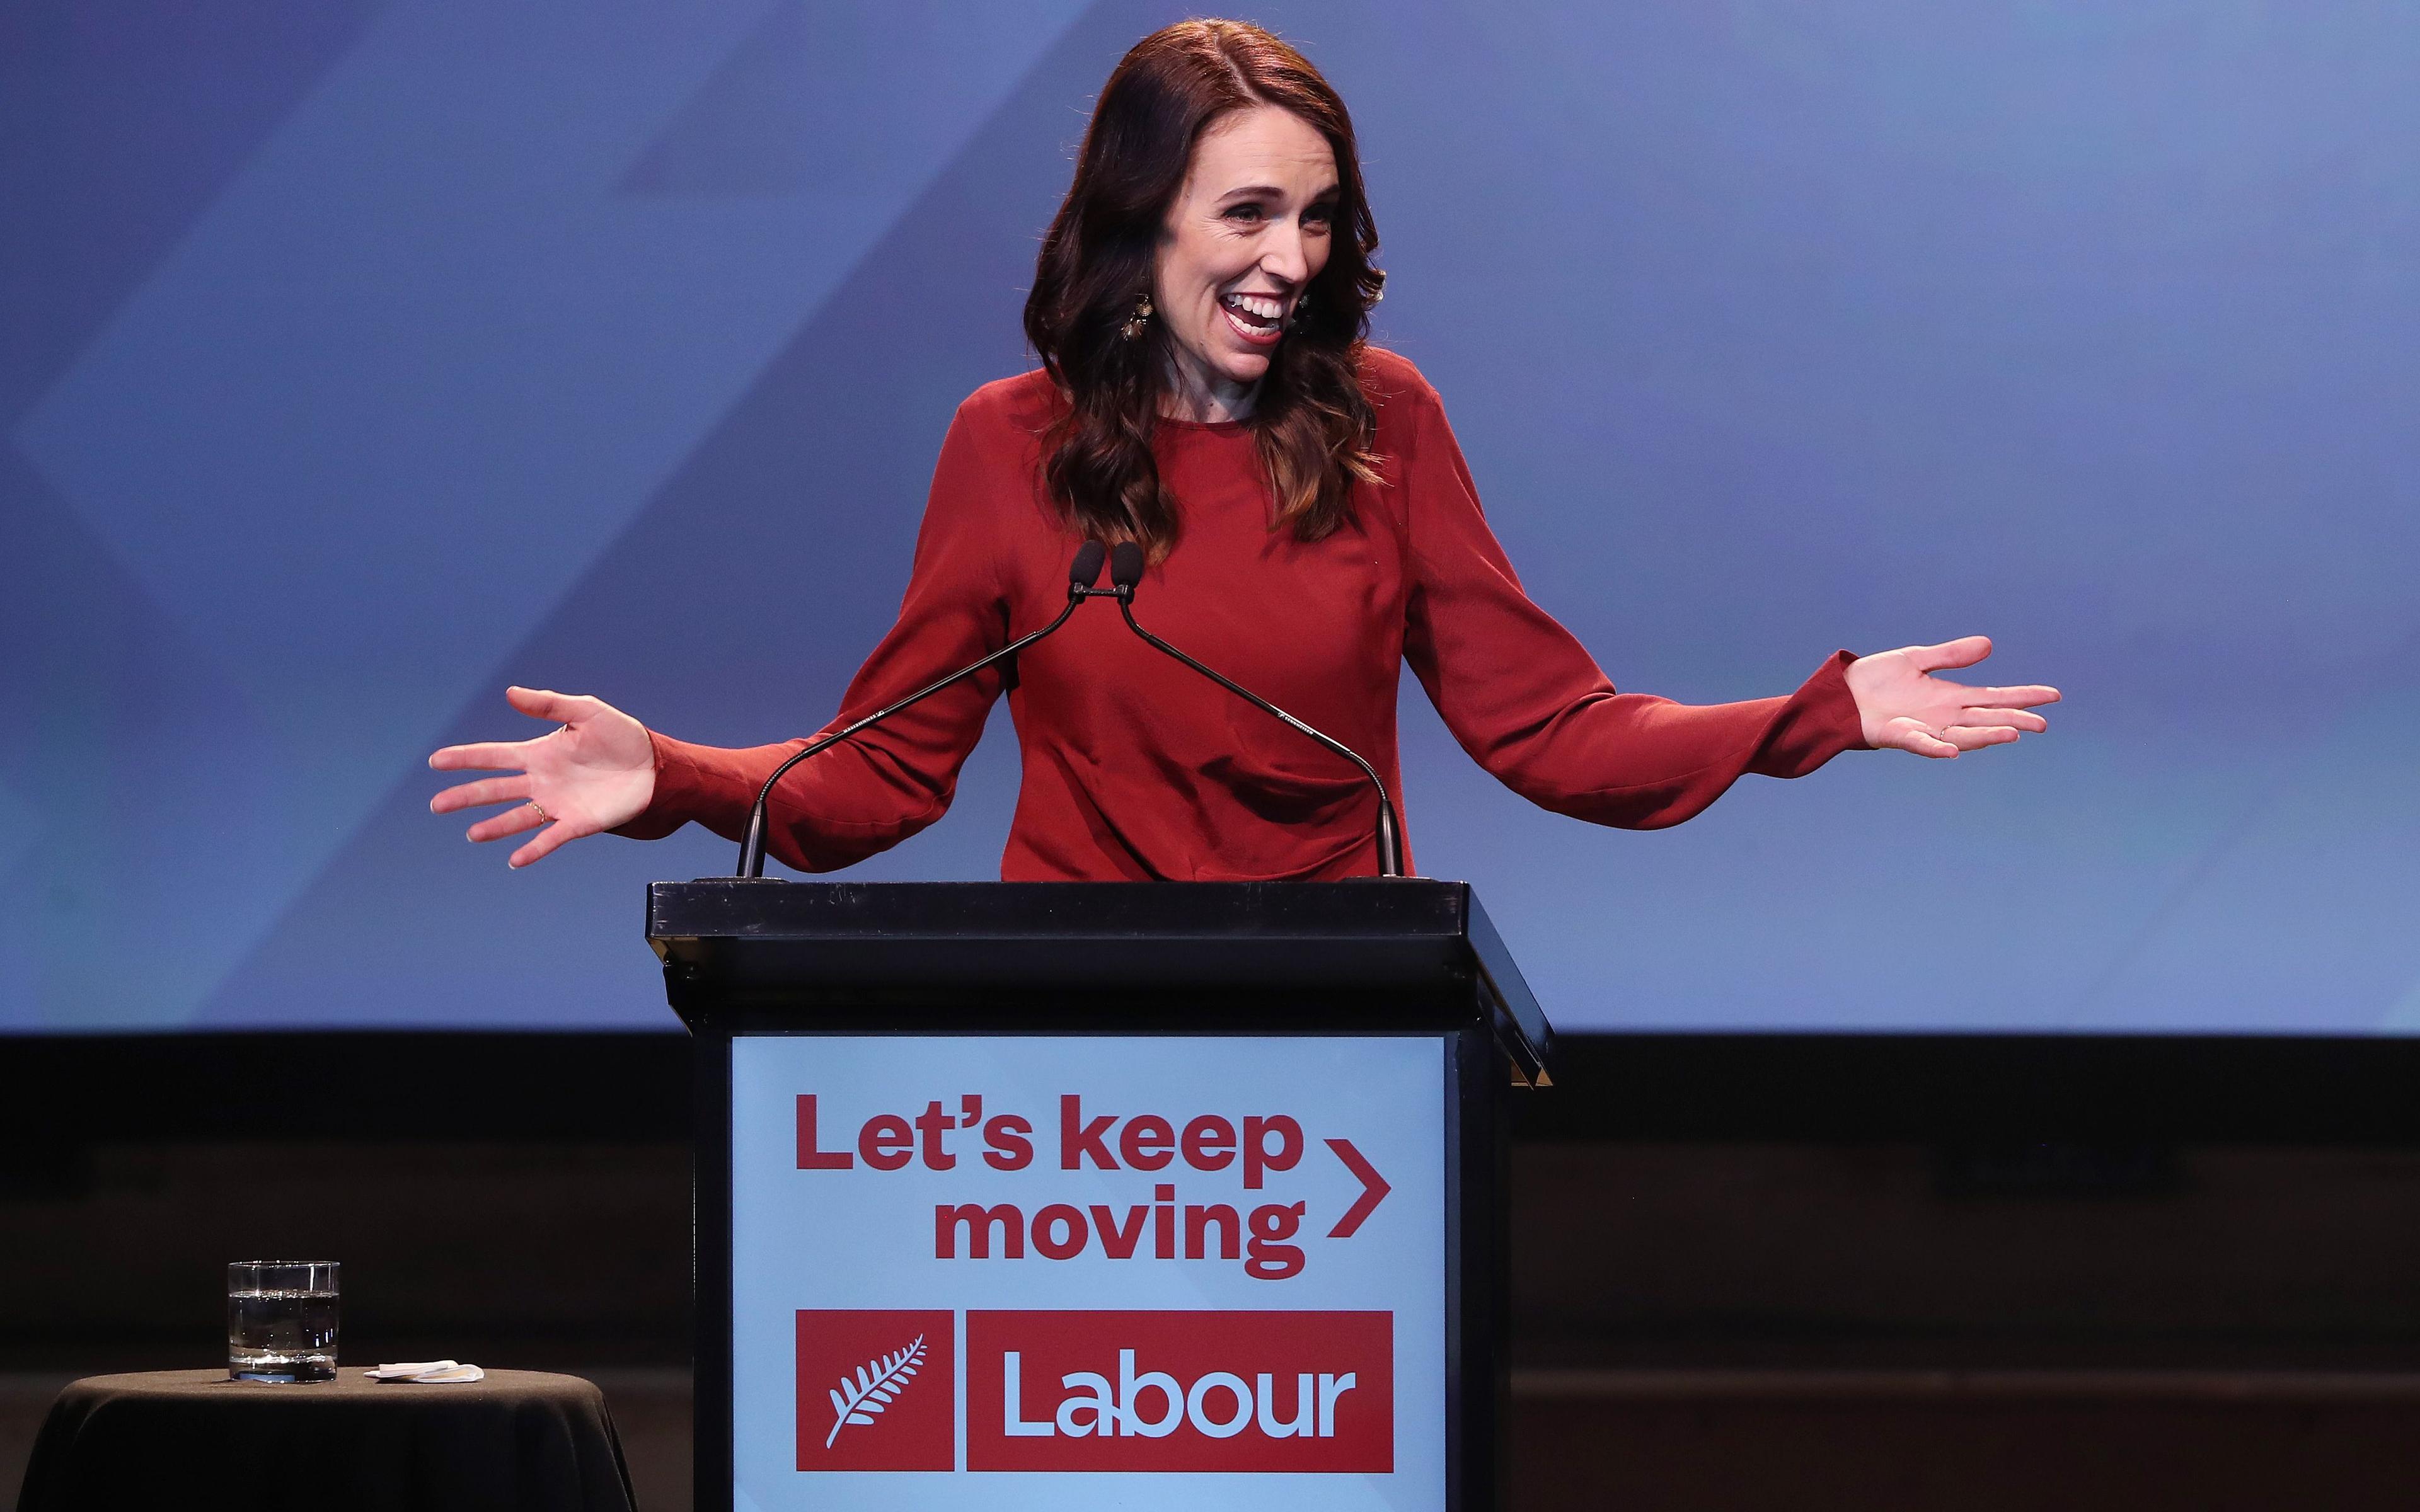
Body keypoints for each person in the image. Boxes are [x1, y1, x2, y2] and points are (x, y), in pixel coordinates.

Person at [429, 19, 2056, 879]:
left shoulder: (1385, 425)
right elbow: (884, 777)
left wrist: (1809, 717)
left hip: (1330, 1046)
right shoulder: (1009, 448)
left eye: (1320, 214)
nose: (1293, 254)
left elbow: (1552, 730)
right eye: (1251, 211)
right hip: (1055, 1077)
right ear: (1141, 226)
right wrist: (678, 782)